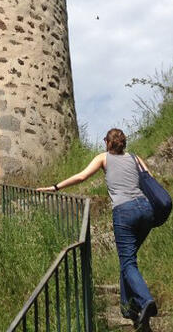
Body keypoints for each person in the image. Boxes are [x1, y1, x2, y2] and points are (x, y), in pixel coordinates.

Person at [36, 128, 159, 332]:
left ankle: (145, 301)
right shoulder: (135, 158)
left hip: (125, 211)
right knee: (127, 260)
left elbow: (82, 176)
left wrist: (55, 187)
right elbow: (150, 178)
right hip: (146, 210)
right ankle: (130, 310)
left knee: (128, 262)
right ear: (123, 143)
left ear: (107, 143)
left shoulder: (103, 158)